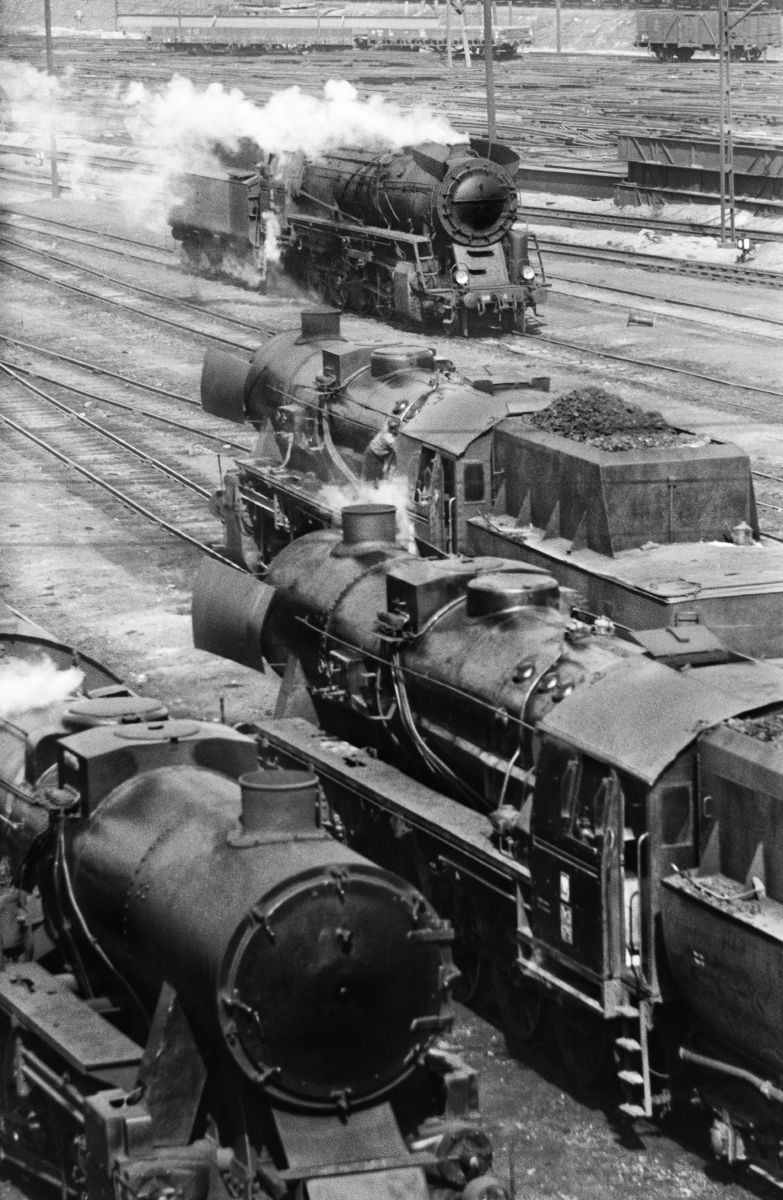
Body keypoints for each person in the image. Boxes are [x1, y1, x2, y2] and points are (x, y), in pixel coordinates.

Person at [363, 416, 400, 482]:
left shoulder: (385, 430)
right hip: (371, 455)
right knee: (369, 479)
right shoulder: (391, 439)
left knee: (376, 479)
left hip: (376, 456)